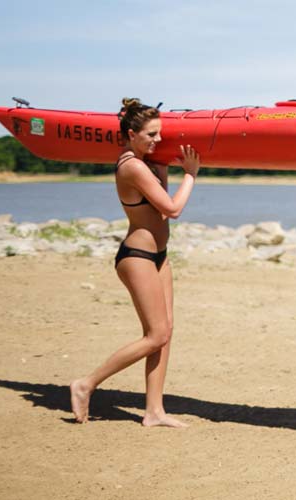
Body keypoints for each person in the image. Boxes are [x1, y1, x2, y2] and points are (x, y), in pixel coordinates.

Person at [69, 98, 201, 427]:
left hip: (159, 256)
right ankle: (85, 384)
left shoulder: (146, 163)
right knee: (155, 335)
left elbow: (159, 206)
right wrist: (191, 175)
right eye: (152, 135)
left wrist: (165, 166)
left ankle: (154, 411)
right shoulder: (131, 166)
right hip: (137, 257)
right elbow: (172, 210)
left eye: (160, 134)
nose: (157, 139)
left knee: (164, 333)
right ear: (132, 133)